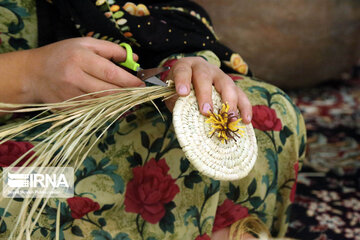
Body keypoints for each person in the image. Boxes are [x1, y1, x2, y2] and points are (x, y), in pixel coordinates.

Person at [0, 0, 306, 239]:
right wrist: (29, 73)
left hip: (99, 122)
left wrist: (181, 67)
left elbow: (160, 17)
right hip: (25, 170)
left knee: (263, 116)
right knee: (29, 189)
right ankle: (215, 224)